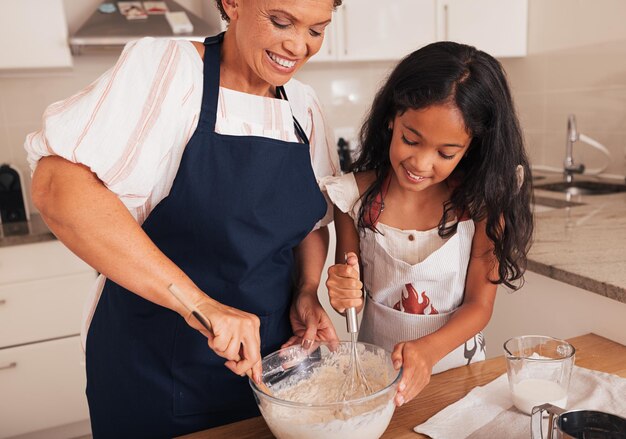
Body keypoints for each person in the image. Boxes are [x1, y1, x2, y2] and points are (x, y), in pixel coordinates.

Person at [25, 0, 343, 436]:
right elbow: (56, 187)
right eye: (281, 21)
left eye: (316, 30)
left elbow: (311, 222)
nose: (298, 45)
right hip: (158, 366)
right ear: (232, 3)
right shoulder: (170, 69)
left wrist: (307, 291)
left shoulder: (302, 104)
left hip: (273, 368)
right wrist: (202, 306)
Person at [324, 41, 533, 408]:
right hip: (379, 382)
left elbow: (479, 306)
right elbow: (349, 300)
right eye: (410, 139)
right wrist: (342, 294)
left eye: (445, 153)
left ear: (472, 147)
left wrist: (426, 353)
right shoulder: (353, 198)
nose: (420, 163)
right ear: (392, 117)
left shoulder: (482, 202)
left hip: (461, 377)